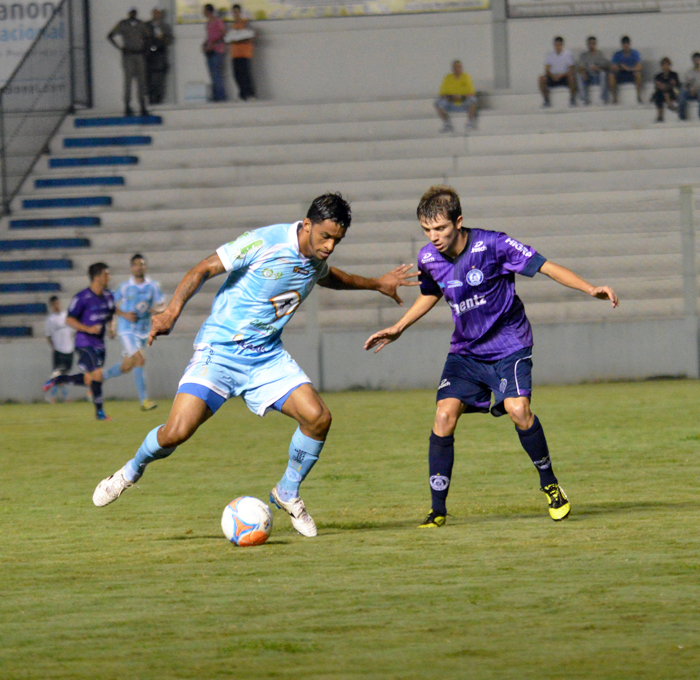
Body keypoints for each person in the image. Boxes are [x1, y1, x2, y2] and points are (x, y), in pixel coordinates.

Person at [91, 194, 419, 538]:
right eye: (325, 236)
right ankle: (129, 472)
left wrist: (376, 283)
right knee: (177, 432)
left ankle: (287, 492)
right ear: (306, 225)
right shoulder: (265, 241)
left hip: (265, 358)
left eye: (337, 239)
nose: (331, 246)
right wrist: (172, 311)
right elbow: (203, 268)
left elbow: (331, 276)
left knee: (318, 418)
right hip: (219, 352)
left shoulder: (315, 256)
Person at [364, 185, 619, 528]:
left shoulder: (493, 244)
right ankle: (437, 510)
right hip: (466, 352)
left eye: (440, 228)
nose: (434, 237)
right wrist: (399, 327)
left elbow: (545, 266)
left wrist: (590, 289)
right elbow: (430, 295)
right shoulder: (428, 258)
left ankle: (551, 485)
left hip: (508, 345)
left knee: (518, 410)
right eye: (427, 230)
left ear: (459, 221)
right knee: (443, 416)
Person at [43, 264, 118, 421]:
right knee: (98, 374)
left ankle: (60, 379)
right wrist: (88, 329)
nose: (109, 277)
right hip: (83, 342)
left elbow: (111, 315)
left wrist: (111, 328)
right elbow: (69, 319)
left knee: (91, 380)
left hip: (99, 343)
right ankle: (100, 413)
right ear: (97, 277)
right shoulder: (82, 297)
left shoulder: (109, 296)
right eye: (106, 274)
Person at [101, 254, 166, 411]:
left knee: (127, 366)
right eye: (136, 264)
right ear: (131, 268)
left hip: (143, 331)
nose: (139, 267)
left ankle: (98, 379)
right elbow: (110, 304)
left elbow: (163, 305)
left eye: (142, 264)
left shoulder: (153, 286)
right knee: (140, 359)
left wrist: (156, 310)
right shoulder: (125, 287)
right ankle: (144, 401)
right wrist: (121, 317)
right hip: (127, 329)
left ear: (145, 267)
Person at [107, 8, 151, 117]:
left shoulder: (141, 24)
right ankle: (127, 106)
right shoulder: (123, 24)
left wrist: (146, 50)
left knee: (142, 81)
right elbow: (110, 36)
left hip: (139, 55)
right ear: (129, 14)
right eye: (131, 13)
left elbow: (148, 37)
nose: (133, 14)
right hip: (129, 55)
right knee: (128, 82)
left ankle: (142, 106)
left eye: (134, 13)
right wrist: (121, 48)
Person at [44, 296, 75, 404]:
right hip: (59, 350)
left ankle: (52, 396)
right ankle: (63, 397)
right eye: (54, 304)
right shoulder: (50, 320)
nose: (57, 306)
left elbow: (73, 331)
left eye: (58, 303)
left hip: (69, 349)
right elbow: (48, 336)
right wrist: (53, 347)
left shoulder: (66, 315)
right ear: (51, 306)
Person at [434, 60, 478, 132]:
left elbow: (472, 93)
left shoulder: (466, 77)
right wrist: (452, 97)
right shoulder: (448, 78)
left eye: (459, 67)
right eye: (455, 67)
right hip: (450, 103)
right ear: (452, 69)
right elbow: (442, 94)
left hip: (463, 103)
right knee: (437, 102)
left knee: (473, 100)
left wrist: (461, 97)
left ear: (462, 68)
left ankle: (470, 123)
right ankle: (447, 124)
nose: (457, 69)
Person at [226, 4, 256, 101]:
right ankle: (242, 94)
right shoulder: (232, 26)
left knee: (245, 74)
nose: (236, 14)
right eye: (234, 12)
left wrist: (238, 39)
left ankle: (250, 94)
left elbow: (249, 37)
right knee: (237, 75)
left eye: (237, 12)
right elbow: (229, 39)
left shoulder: (246, 24)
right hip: (235, 54)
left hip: (244, 53)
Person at [145, 8, 174, 105]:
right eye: (155, 13)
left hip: (160, 55)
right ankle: (151, 100)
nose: (156, 15)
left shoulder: (165, 26)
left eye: (158, 14)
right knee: (149, 81)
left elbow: (169, 39)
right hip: (149, 57)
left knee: (160, 81)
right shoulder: (146, 25)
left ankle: (158, 100)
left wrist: (163, 38)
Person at [539, 36, 576, 107]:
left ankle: (572, 100)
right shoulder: (550, 55)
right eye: (556, 45)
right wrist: (553, 76)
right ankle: (546, 100)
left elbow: (571, 69)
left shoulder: (568, 54)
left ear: (562, 45)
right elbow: (547, 69)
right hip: (552, 77)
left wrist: (560, 75)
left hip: (564, 77)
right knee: (542, 78)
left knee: (572, 78)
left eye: (559, 45)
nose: (558, 47)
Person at [203, 3, 227, 102]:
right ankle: (216, 95)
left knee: (216, 74)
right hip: (210, 51)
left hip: (217, 50)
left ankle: (221, 96)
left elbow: (222, 34)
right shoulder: (208, 23)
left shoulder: (218, 21)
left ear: (208, 11)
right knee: (212, 74)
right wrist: (205, 45)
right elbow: (209, 37)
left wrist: (214, 44)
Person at [609, 36, 643, 104]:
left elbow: (639, 67)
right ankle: (614, 98)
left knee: (638, 75)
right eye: (624, 44)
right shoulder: (617, 55)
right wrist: (617, 67)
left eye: (627, 44)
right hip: (621, 74)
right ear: (622, 45)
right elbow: (612, 66)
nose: (626, 46)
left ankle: (639, 96)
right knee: (611, 76)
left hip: (631, 73)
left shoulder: (635, 53)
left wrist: (628, 68)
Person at [577, 36, 610, 104]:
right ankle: (583, 99)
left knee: (603, 74)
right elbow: (580, 65)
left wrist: (598, 68)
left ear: (596, 44)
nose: (592, 45)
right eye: (590, 44)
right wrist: (583, 72)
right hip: (587, 76)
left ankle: (603, 98)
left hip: (597, 76)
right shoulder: (584, 55)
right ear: (588, 45)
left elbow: (607, 64)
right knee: (579, 75)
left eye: (593, 43)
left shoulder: (599, 54)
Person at [652, 57, 680, 123]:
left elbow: (676, 84)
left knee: (666, 91)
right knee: (659, 94)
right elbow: (657, 85)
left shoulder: (674, 74)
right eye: (664, 65)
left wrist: (666, 85)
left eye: (667, 64)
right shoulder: (658, 76)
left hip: (672, 92)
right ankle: (661, 114)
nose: (665, 66)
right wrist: (664, 86)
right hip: (661, 93)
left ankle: (668, 105)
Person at [678, 52, 700, 121]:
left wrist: (695, 89)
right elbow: (685, 85)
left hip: (698, 92)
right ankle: (682, 117)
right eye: (695, 60)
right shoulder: (689, 72)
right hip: (691, 92)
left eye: (698, 60)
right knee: (682, 92)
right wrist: (688, 87)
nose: (696, 62)